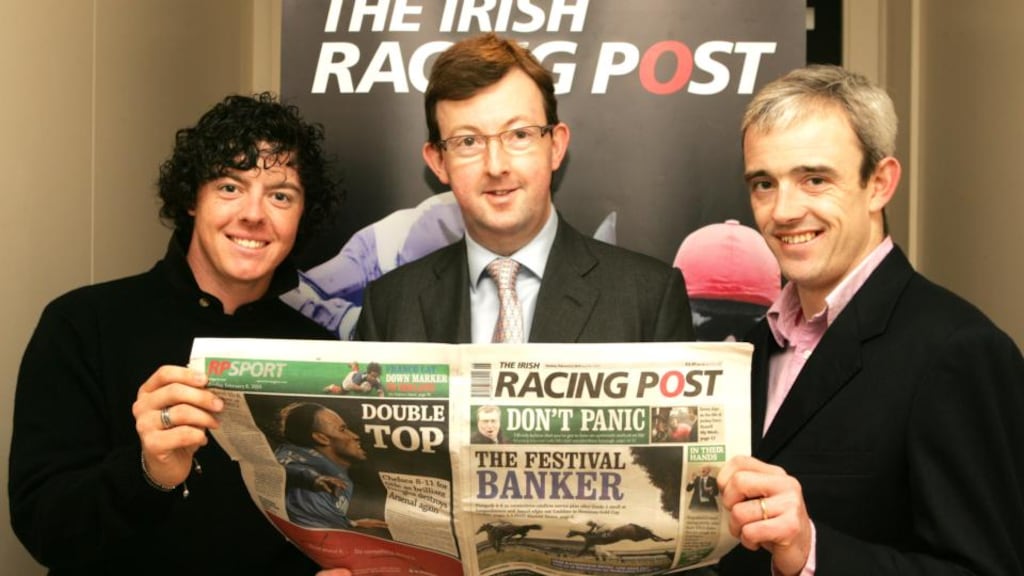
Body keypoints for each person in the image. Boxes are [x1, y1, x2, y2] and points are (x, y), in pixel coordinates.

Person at [8, 93, 354, 575]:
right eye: (230, 187)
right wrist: (148, 472)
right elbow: (45, 530)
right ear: (193, 198)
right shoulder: (82, 324)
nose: (254, 214)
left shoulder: (318, 352)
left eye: (281, 195)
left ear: (301, 216)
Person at [716, 65, 1024, 575]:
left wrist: (812, 552)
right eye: (764, 183)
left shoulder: (959, 351)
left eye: (814, 179)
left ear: (880, 184)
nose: (783, 211)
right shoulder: (753, 346)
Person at [355, 33, 694, 344]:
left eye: (519, 135)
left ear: (556, 146)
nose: (496, 166)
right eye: (468, 141)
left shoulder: (649, 297)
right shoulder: (389, 306)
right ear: (439, 161)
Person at [275, 403, 388, 531]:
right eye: (342, 429)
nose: (355, 436)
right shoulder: (313, 482)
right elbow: (286, 468)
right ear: (321, 438)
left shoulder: (335, 474)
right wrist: (314, 479)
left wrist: (352, 524)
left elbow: (316, 517)